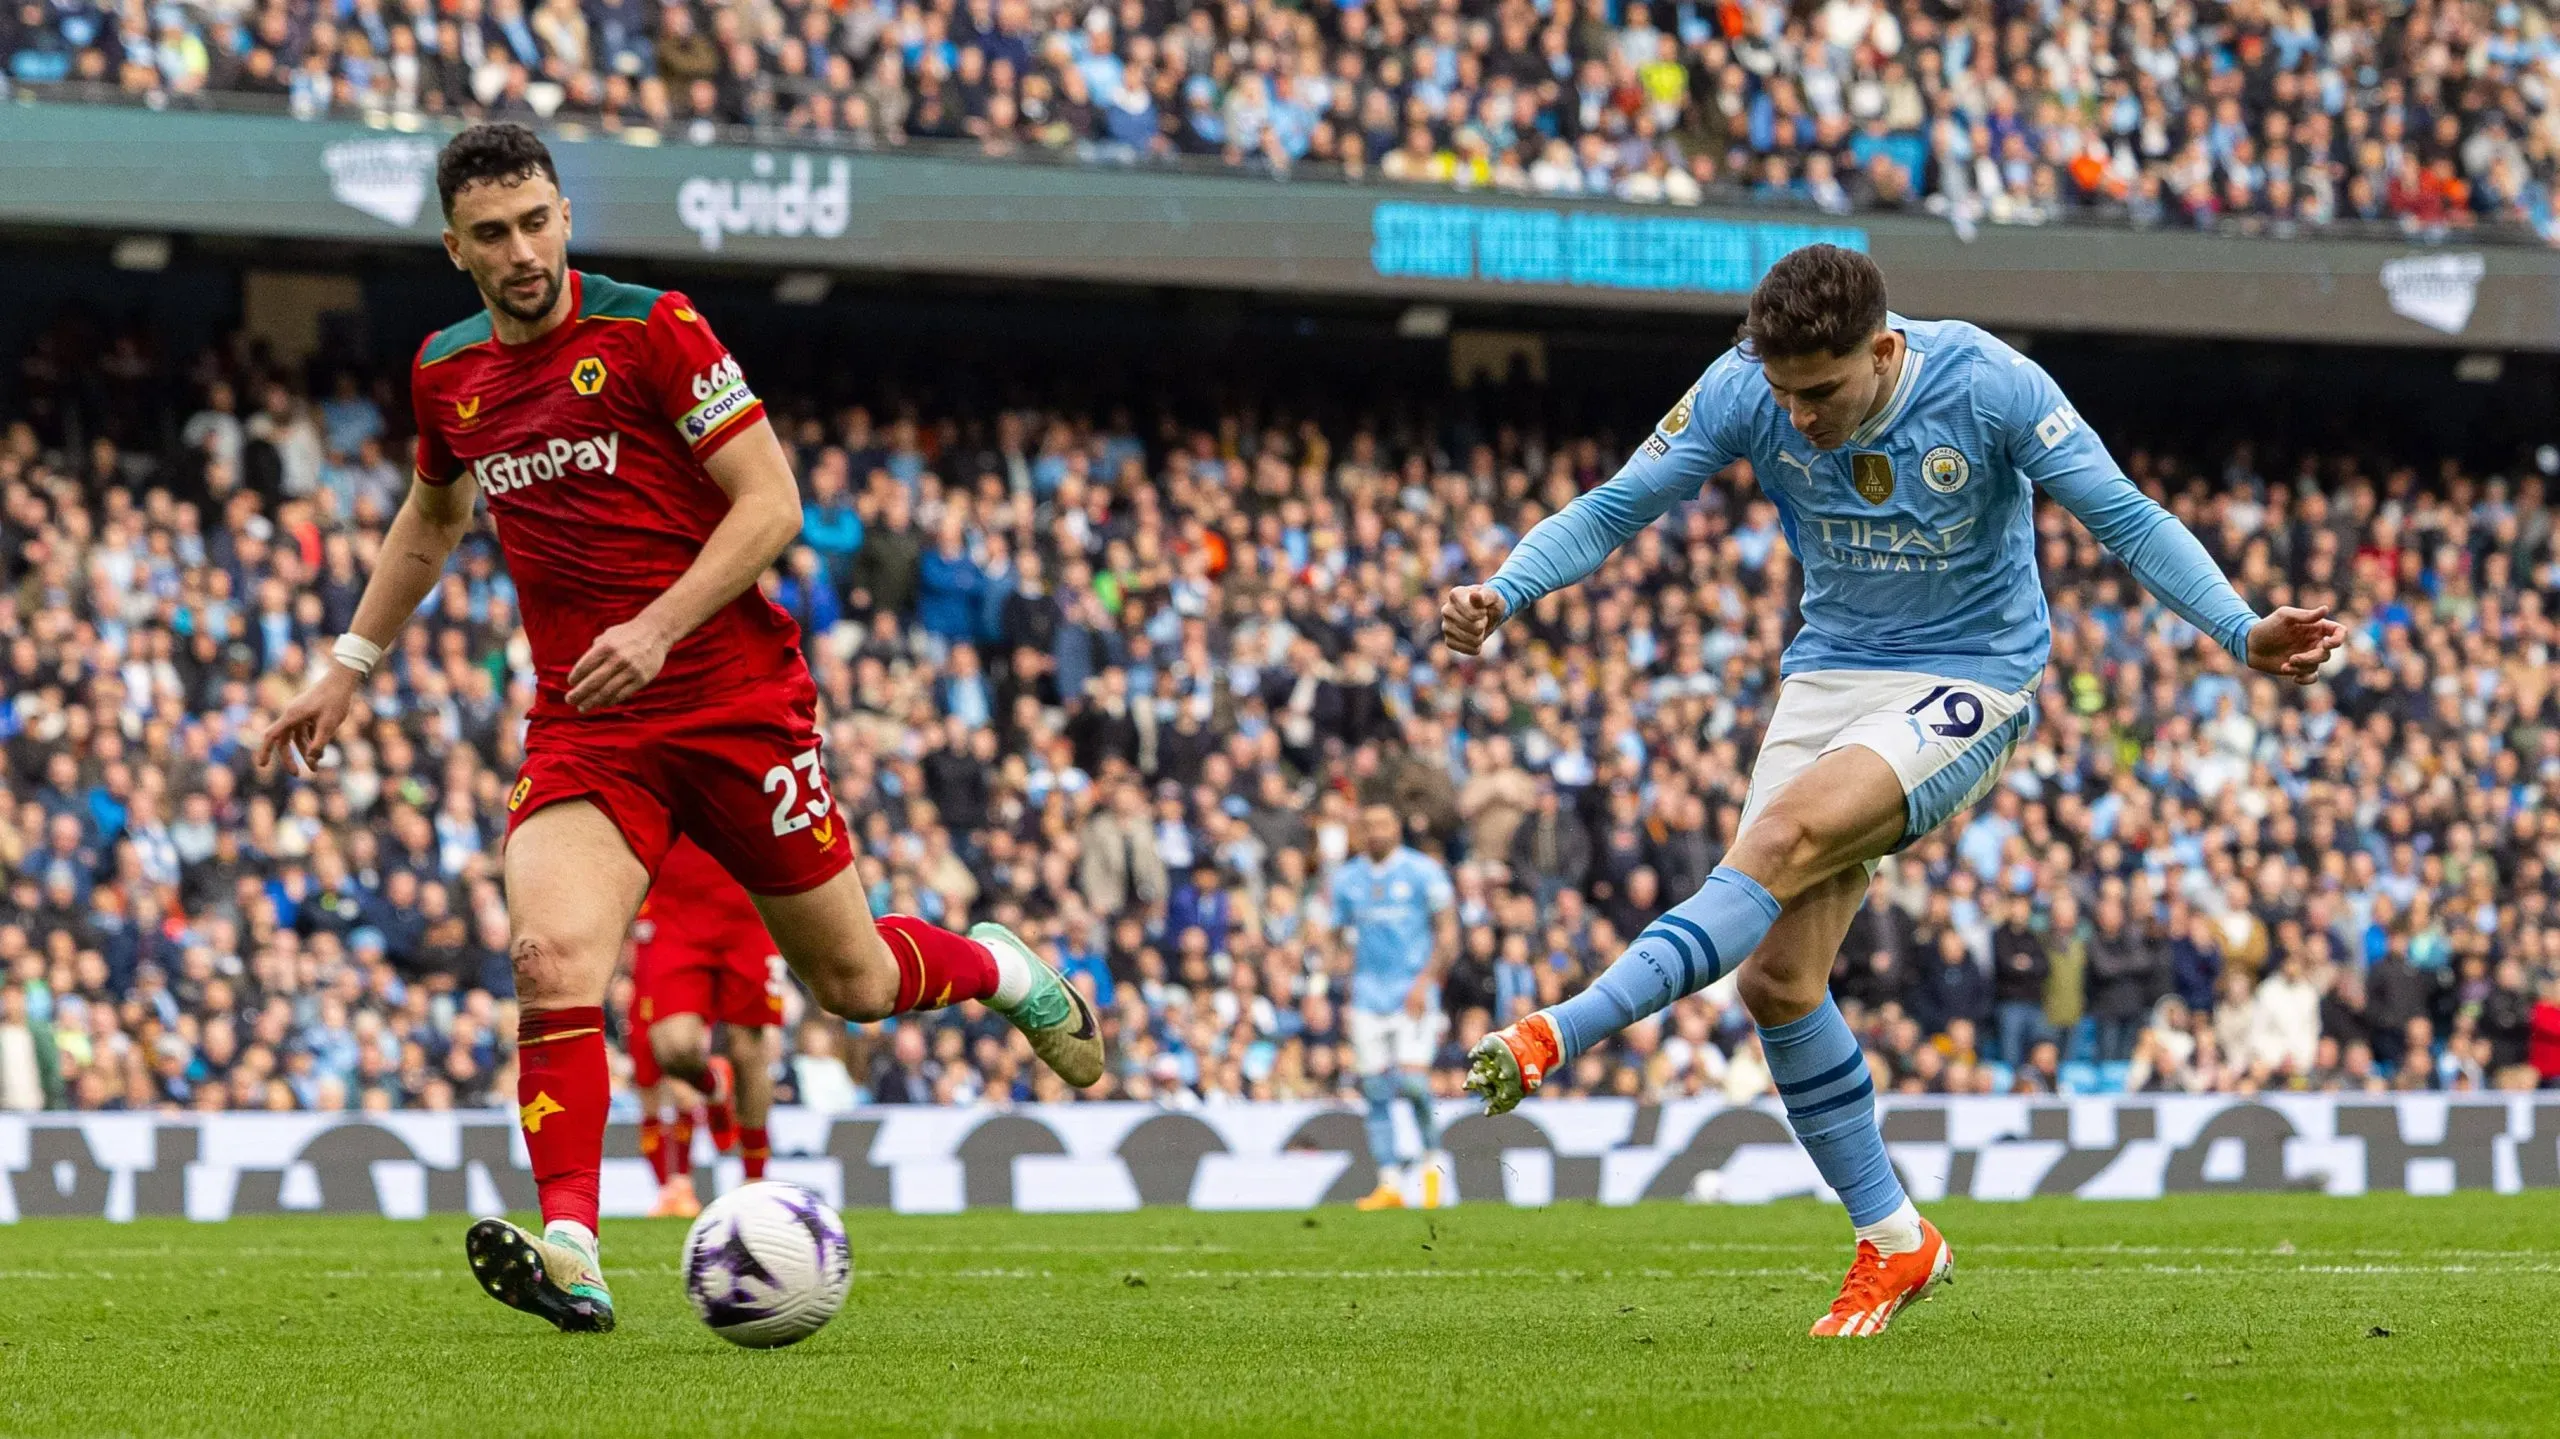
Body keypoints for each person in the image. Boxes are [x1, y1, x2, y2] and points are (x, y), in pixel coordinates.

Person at [256, 123, 1104, 1336]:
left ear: (562, 215)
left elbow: (773, 506)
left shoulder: (653, 329)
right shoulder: (448, 372)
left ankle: (1003, 967)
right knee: (548, 958)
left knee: (851, 981)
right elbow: (428, 519)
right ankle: (575, 1245)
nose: (522, 250)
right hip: (587, 727)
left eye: (538, 220)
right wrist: (348, 663)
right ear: (456, 249)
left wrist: (656, 626)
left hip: (732, 703)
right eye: (491, 234)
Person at [1439, 245, 2340, 1336]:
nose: (1798, 416)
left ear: (1881, 347)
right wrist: (1506, 586)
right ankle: (1895, 1237)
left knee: (1780, 836)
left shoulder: (1989, 382)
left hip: (1970, 674)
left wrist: (2239, 628)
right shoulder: (1744, 385)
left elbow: (2127, 517)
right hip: (1828, 673)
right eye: (1781, 392)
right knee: (1775, 979)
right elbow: (1619, 501)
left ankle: (1557, 1032)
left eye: (1819, 391)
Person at [627, 835, 785, 1219]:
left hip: (750, 907)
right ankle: (714, 1086)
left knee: (749, 1046)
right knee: (672, 1048)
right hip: (675, 909)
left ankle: (754, 1182)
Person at [1329, 803, 1456, 1209]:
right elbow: (1334, 931)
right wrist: (1337, 971)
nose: (1377, 831)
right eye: (1369, 826)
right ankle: (1389, 1183)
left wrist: (1426, 981)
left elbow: (1448, 932)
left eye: (1384, 823)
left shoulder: (1423, 872)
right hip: (1367, 996)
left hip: (1412, 994)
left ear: (1398, 827)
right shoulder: (1348, 879)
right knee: (1375, 1089)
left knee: (1414, 1084)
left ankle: (1433, 1167)